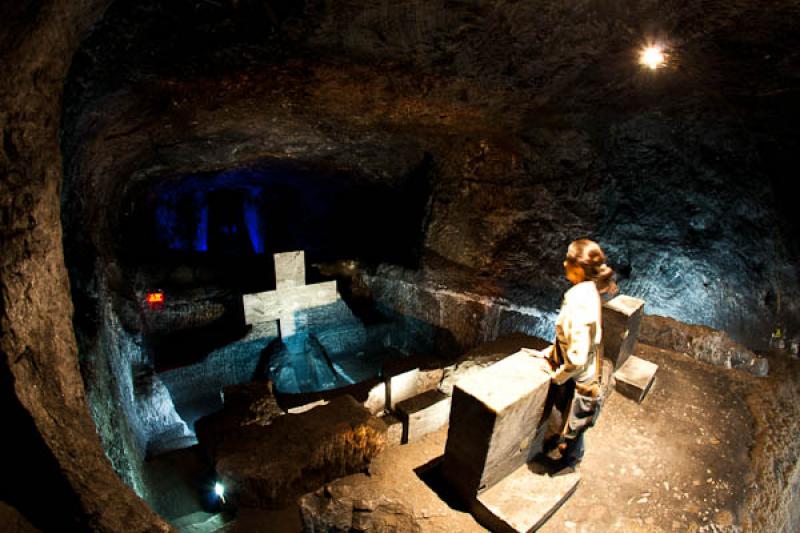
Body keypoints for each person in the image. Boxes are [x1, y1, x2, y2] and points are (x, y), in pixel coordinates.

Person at [540, 238, 617, 468]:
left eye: (568, 260)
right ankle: (567, 452)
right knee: (572, 424)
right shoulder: (590, 290)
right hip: (586, 374)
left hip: (580, 380)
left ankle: (565, 460)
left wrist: (557, 377)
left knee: (571, 425)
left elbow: (577, 356)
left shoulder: (578, 301)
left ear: (579, 267)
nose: (564, 264)